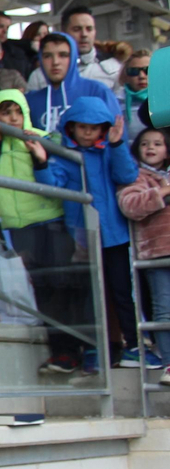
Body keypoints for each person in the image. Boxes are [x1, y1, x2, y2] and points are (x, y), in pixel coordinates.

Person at [37, 99, 139, 369]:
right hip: (81, 237)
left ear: (103, 129)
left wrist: (117, 145)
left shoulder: (110, 150)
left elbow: (128, 175)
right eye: (82, 127)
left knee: (121, 293)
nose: (87, 133)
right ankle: (94, 350)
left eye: (94, 128)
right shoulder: (64, 155)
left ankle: (134, 346)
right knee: (88, 296)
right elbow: (51, 184)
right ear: (71, 128)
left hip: (115, 236)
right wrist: (41, 161)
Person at [0, 90, 75, 373]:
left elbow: (56, 176)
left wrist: (39, 155)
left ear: (25, 113)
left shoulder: (40, 137)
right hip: (18, 226)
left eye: (16, 112)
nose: (12, 118)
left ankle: (72, 351)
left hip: (50, 222)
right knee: (43, 290)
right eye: (4, 112)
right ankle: (60, 353)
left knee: (61, 286)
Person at [119, 127, 170, 380]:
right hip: (156, 253)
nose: (150, 148)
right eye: (145, 144)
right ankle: (169, 362)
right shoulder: (135, 176)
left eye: (158, 144)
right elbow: (130, 205)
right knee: (164, 310)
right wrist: (162, 192)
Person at [27, 31, 119, 134]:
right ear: (40, 59)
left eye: (63, 55)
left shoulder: (97, 92)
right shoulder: (31, 101)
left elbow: (116, 139)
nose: (55, 62)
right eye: (47, 56)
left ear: (74, 58)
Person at [42, 5, 121, 89]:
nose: (84, 34)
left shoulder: (114, 69)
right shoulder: (41, 74)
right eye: (77, 29)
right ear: (64, 32)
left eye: (89, 29)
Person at [121, 50, 151, 139]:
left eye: (148, 70)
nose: (141, 76)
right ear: (126, 75)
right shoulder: (115, 102)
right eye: (134, 71)